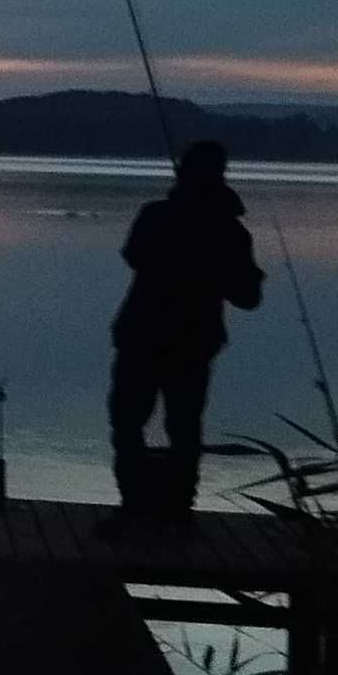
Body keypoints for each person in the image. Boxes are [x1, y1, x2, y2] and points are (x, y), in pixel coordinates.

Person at [100, 139, 264, 533]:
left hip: (150, 337)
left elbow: (135, 256)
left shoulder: (160, 216)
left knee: (134, 423)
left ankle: (140, 508)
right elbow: (248, 296)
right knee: (180, 427)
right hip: (189, 342)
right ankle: (173, 511)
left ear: (184, 174)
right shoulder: (229, 230)